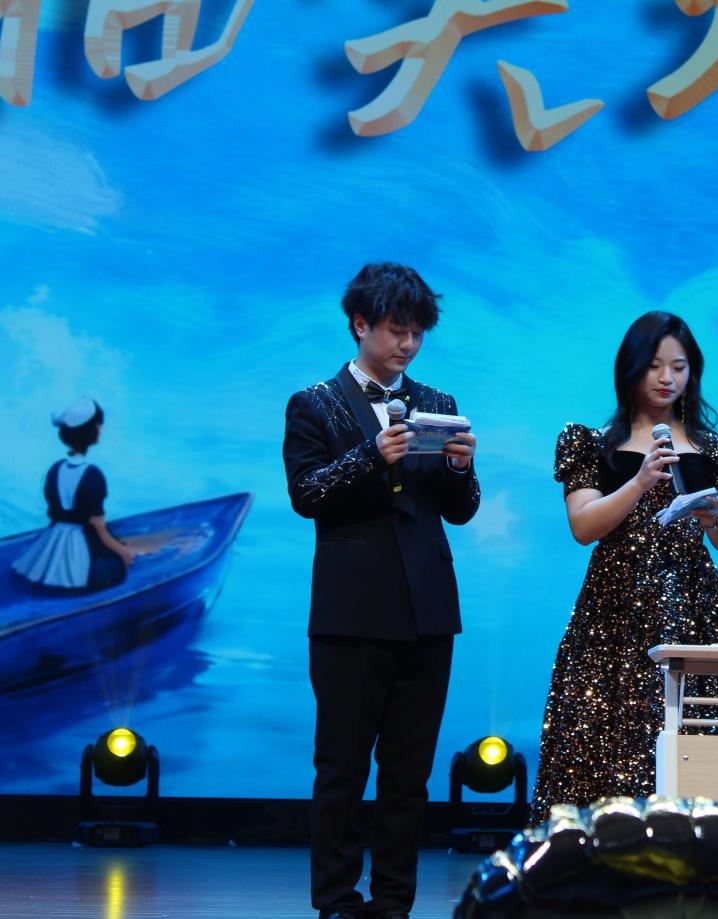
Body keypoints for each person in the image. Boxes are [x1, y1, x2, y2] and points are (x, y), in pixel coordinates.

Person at [282, 262, 479, 919]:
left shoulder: (438, 404)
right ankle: (337, 900)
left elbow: (461, 510)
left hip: (428, 610)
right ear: (360, 324)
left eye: (418, 333)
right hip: (351, 611)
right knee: (341, 766)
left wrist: (461, 469)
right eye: (397, 331)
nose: (408, 345)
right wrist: (373, 454)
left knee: (408, 770)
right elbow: (306, 494)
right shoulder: (314, 403)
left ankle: (395, 899)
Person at [531, 311, 718, 822]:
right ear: (630, 368)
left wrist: (714, 517)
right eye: (654, 365)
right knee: (601, 734)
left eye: (679, 366)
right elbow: (583, 526)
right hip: (615, 609)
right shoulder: (592, 443)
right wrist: (639, 482)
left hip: (693, 607)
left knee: (697, 729)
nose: (667, 377)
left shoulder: (715, 448)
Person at [12, 398, 137, 591]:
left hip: (52, 542)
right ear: (93, 431)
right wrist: (124, 552)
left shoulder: (55, 469)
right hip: (80, 553)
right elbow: (99, 529)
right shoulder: (93, 474)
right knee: (115, 567)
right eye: (98, 426)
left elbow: (54, 512)